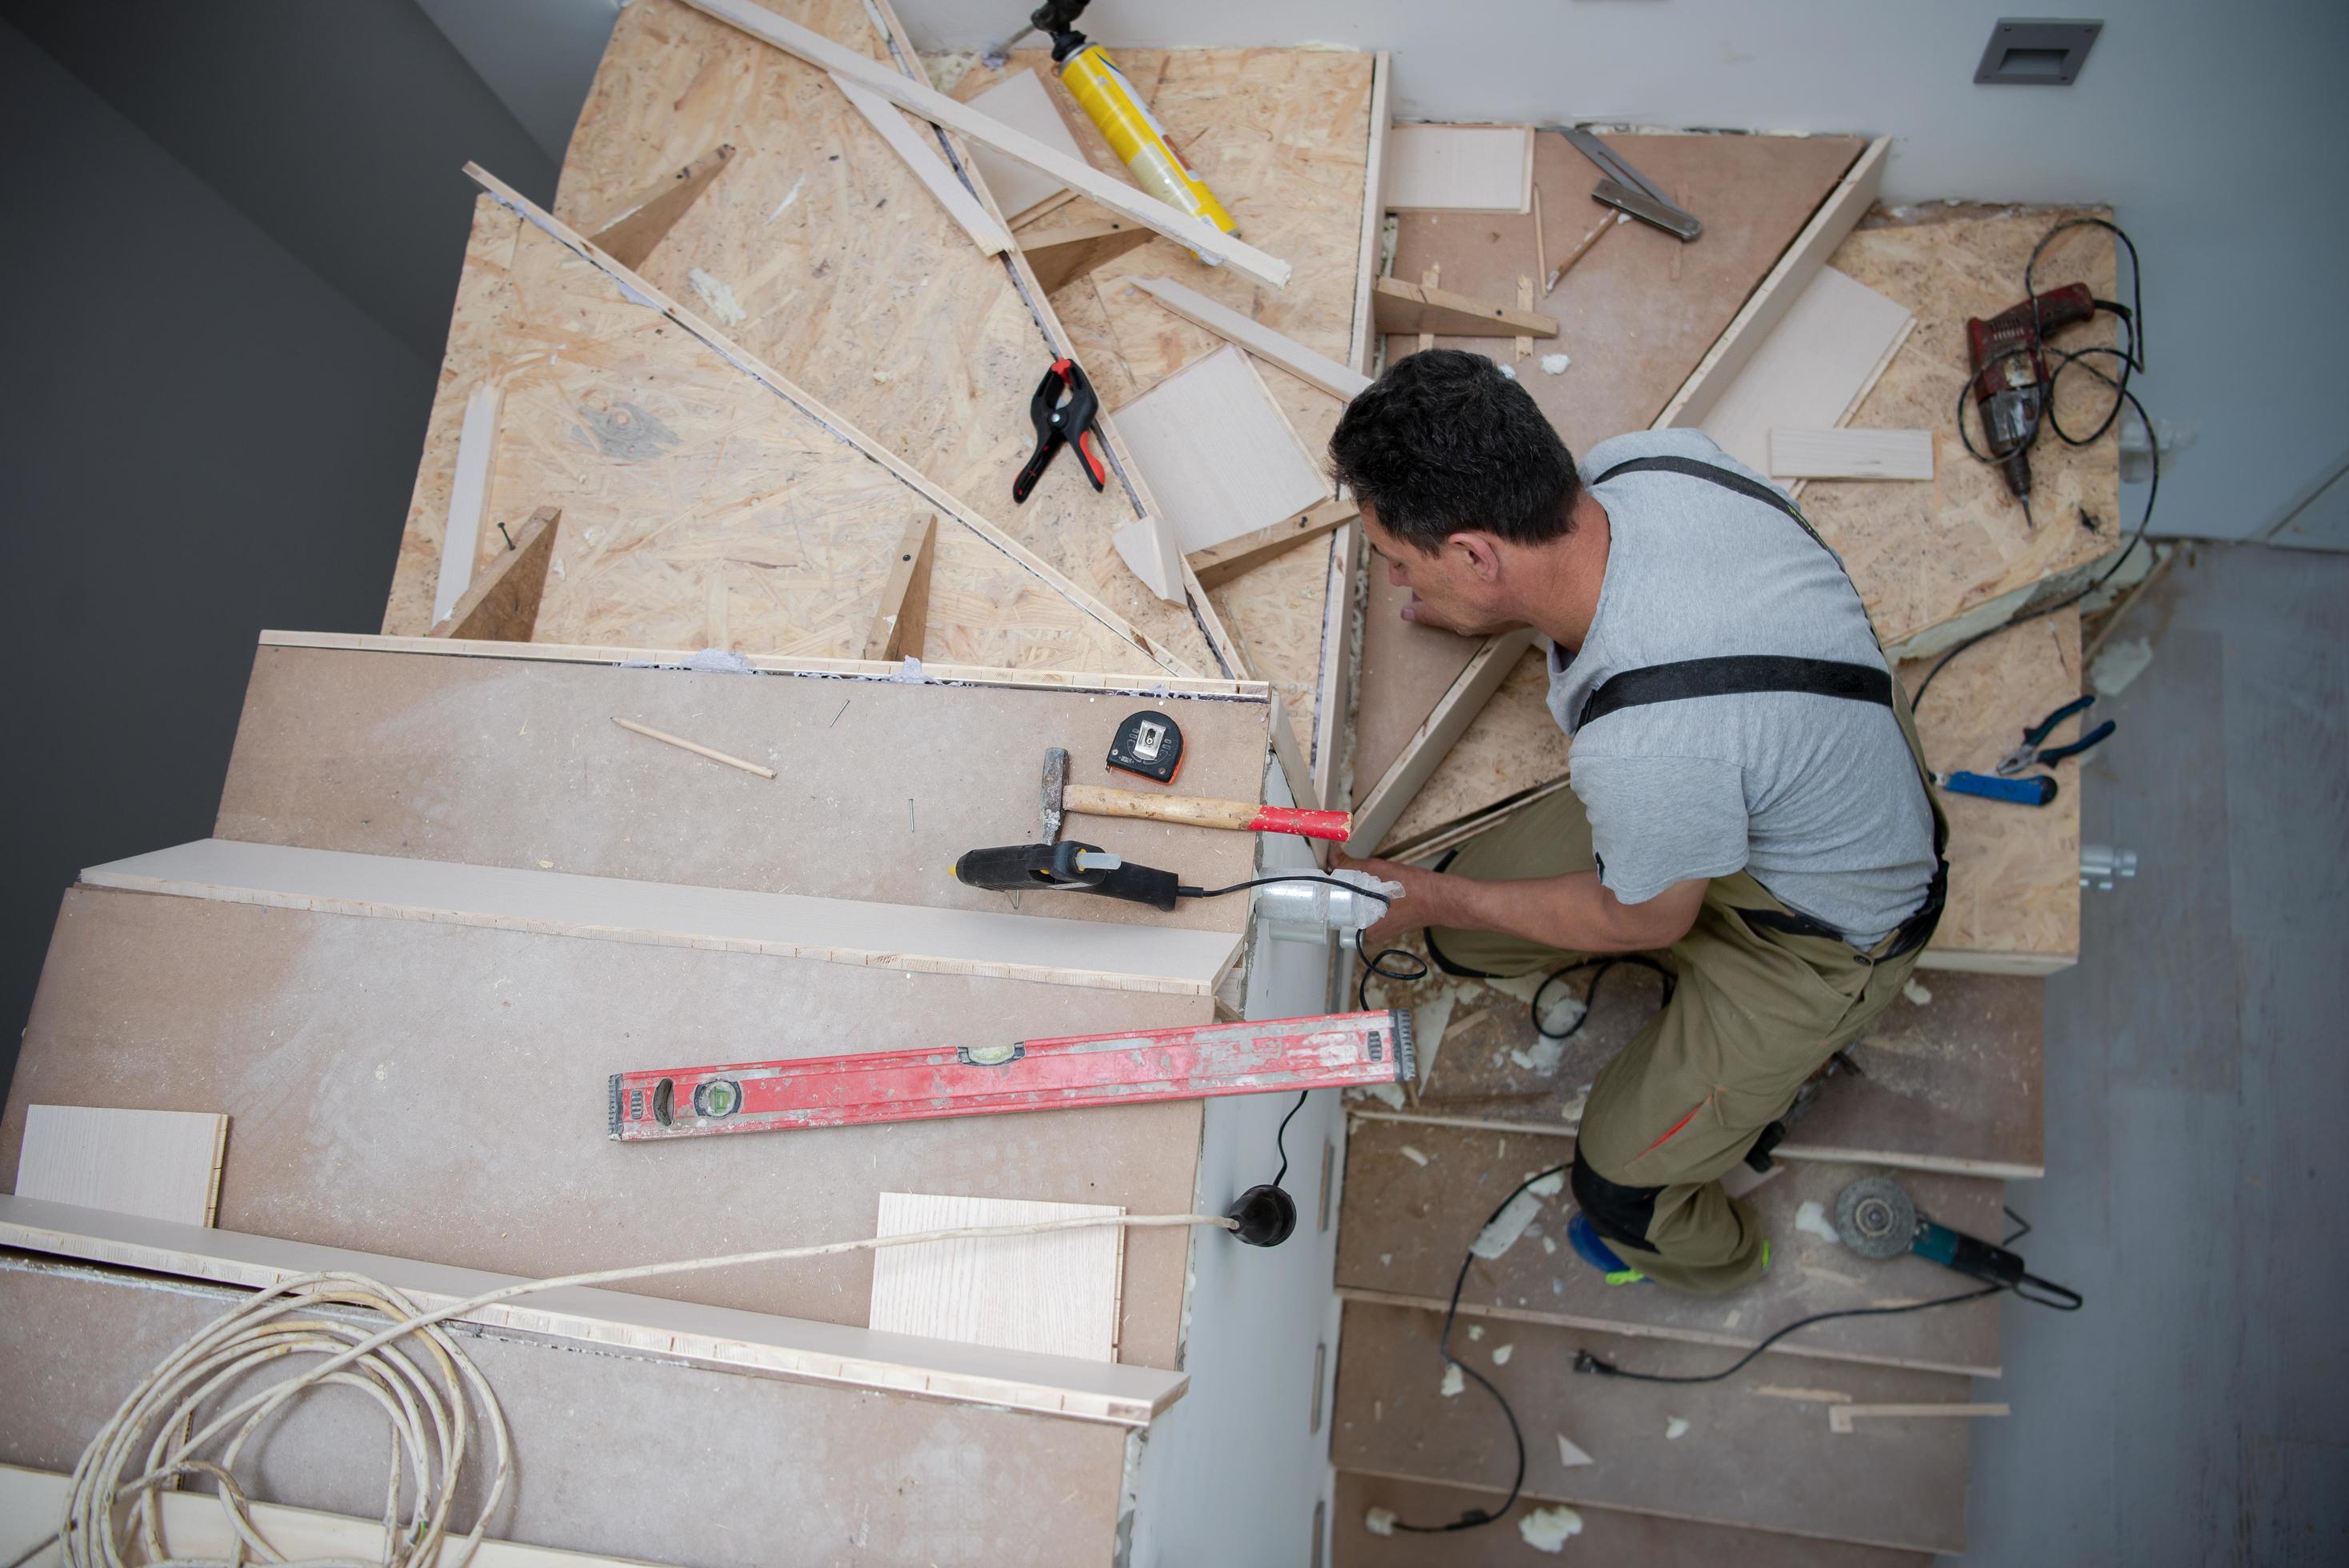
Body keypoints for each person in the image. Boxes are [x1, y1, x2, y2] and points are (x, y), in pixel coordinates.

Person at [1332, 350, 1946, 1295]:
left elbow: (1648, 920)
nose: (1397, 579)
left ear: (1474, 555)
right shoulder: (1652, 464)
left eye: (1404, 561)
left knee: (1617, 1188)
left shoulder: (1646, 744)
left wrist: (1425, 893)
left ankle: (1721, 1257)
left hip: (1825, 937)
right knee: (1458, 932)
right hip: (1787, 761)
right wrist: (1483, 613)